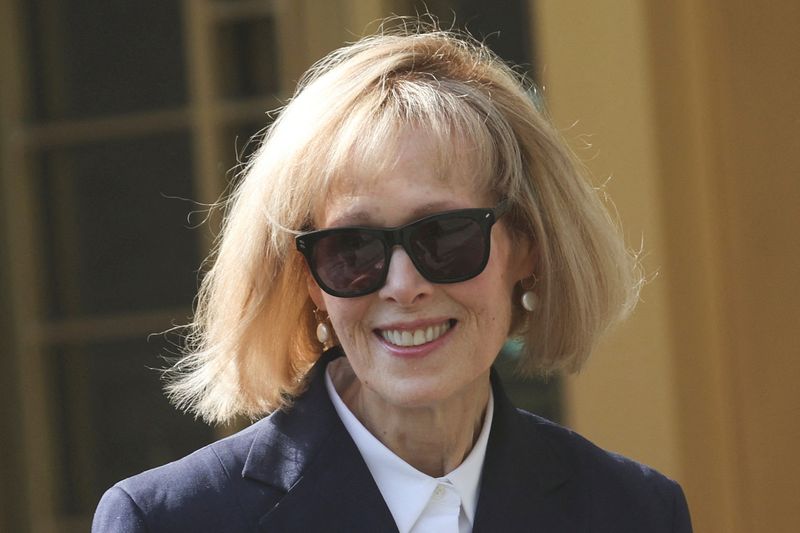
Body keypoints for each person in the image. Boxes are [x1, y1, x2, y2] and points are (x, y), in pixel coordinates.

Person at [93, 22, 692, 533]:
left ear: (528, 247)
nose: (403, 286)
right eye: (351, 247)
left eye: (446, 236)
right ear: (308, 281)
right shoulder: (169, 521)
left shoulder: (633, 511)